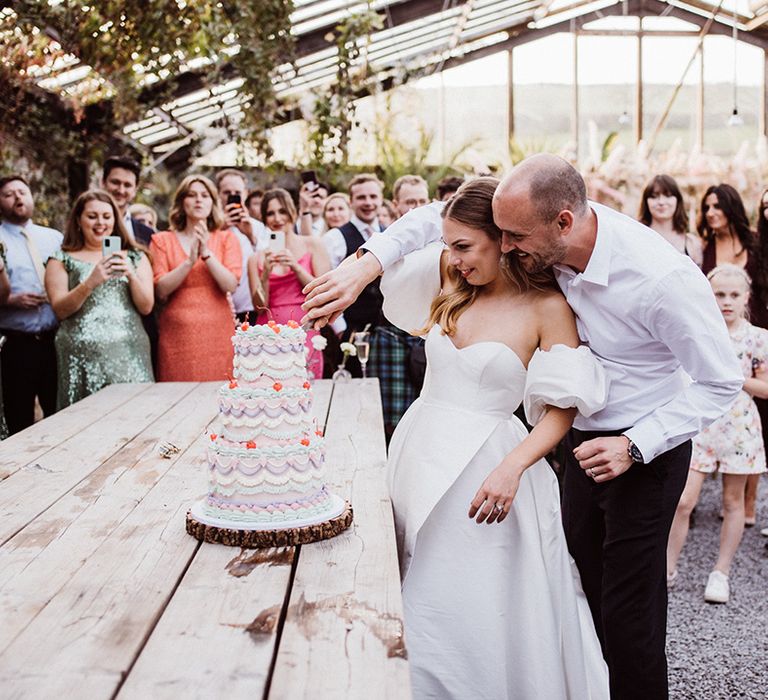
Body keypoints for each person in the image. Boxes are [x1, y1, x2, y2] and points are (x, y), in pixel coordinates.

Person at [301, 155, 743, 700]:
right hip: (574, 445)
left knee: (629, 613)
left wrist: (635, 444)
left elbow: (720, 382)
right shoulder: (535, 234)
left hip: (643, 445)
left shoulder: (660, 279)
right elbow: (439, 218)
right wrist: (364, 264)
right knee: (572, 585)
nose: (507, 246)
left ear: (563, 223)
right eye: (501, 235)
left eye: (513, 237)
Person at [382, 177, 610, 699]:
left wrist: (513, 467)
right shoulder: (450, 276)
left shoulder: (547, 309)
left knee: (465, 598)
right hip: (418, 449)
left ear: (504, 238)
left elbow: (561, 412)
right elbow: (400, 244)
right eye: (448, 245)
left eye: (464, 246)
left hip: (489, 467)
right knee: (404, 576)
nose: (454, 258)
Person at [666, 265, 768, 603]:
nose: (726, 301)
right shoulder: (700, 331)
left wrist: (733, 378)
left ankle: (720, 572)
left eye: (734, 295)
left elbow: (765, 387)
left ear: (746, 298)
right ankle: (666, 568)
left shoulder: (757, 337)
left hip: (738, 426)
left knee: (732, 501)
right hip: (701, 424)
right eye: (719, 294)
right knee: (683, 501)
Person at [45, 190, 153, 408]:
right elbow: (60, 310)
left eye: (106, 216)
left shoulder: (135, 256)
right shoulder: (61, 259)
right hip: (79, 356)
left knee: (136, 415)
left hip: (129, 351)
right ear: (78, 219)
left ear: (115, 220)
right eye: (92, 216)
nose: (100, 222)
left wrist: (130, 273)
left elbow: (146, 306)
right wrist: (90, 282)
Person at [700, 183, 768, 528]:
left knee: (758, 416)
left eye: (717, 206)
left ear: (732, 207)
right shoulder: (704, 247)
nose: (711, 212)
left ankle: (749, 499)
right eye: (707, 207)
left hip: (755, 328)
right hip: (719, 333)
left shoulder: (755, 242)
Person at [150, 175, 241, 381]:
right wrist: (189, 261)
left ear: (212, 202)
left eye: (205, 195)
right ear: (182, 202)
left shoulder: (226, 238)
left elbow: (230, 284)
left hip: (218, 332)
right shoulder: (161, 240)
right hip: (177, 335)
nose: (199, 200)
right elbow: (161, 289)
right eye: (192, 195)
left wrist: (207, 254)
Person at [0, 175, 62, 434]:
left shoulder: (55, 238)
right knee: (19, 419)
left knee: (60, 416)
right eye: (8, 194)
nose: (17, 197)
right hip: (17, 343)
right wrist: (10, 300)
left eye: (22, 191)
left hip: (55, 341)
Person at [251, 188, 329, 378]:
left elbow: (324, 291)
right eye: (270, 213)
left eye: (282, 211)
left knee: (307, 387)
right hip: (268, 333)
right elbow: (259, 307)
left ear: (292, 212)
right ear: (264, 219)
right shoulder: (256, 258)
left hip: (304, 328)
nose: (277, 218)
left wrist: (296, 267)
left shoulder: (313, 244)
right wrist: (266, 274)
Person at [322, 174, 386, 377]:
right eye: (361, 197)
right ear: (351, 201)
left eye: (373, 196)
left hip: (387, 332)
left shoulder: (391, 234)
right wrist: (341, 329)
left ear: (381, 199)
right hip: (350, 331)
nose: (368, 202)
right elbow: (329, 284)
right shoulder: (335, 238)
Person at [215, 169, 268, 325]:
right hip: (218, 309)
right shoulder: (208, 229)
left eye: (237, 192)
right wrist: (219, 228)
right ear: (218, 194)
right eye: (226, 193)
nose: (232, 196)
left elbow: (270, 264)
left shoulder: (261, 228)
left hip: (252, 308)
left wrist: (251, 237)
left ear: (246, 193)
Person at [639, 174, 702, 266]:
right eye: (654, 196)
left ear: (677, 200)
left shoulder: (692, 244)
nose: (661, 202)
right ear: (646, 202)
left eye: (668, 196)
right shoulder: (638, 237)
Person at [101, 156, 154, 246]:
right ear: (103, 183)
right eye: (115, 182)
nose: (121, 190)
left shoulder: (147, 234)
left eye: (127, 185)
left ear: (135, 190)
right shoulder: (86, 228)